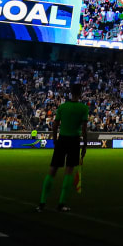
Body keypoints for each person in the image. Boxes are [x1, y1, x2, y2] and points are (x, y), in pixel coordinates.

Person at [37, 84, 88, 213]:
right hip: (74, 141)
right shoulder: (83, 108)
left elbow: (55, 125)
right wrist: (85, 145)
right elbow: (84, 129)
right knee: (69, 171)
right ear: (80, 93)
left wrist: (55, 139)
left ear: (70, 93)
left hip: (62, 139)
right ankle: (61, 204)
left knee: (52, 170)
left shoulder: (62, 107)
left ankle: (42, 203)